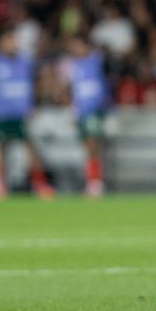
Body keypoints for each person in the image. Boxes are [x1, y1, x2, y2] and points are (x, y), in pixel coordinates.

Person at [0, 28, 55, 199]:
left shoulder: (26, 62)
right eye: (9, 41)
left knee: (30, 148)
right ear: (1, 43)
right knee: (1, 149)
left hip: (22, 113)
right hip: (2, 112)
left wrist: (34, 105)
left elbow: (35, 84)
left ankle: (40, 183)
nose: (12, 44)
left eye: (14, 41)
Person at [62, 35, 109, 196]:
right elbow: (71, 90)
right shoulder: (72, 66)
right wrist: (72, 111)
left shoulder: (97, 60)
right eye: (74, 47)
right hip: (80, 112)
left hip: (94, 110)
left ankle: (96, 181)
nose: (76, 49)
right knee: (87, 147)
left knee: (93, 144)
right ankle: (92, 181)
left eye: (79, 46)